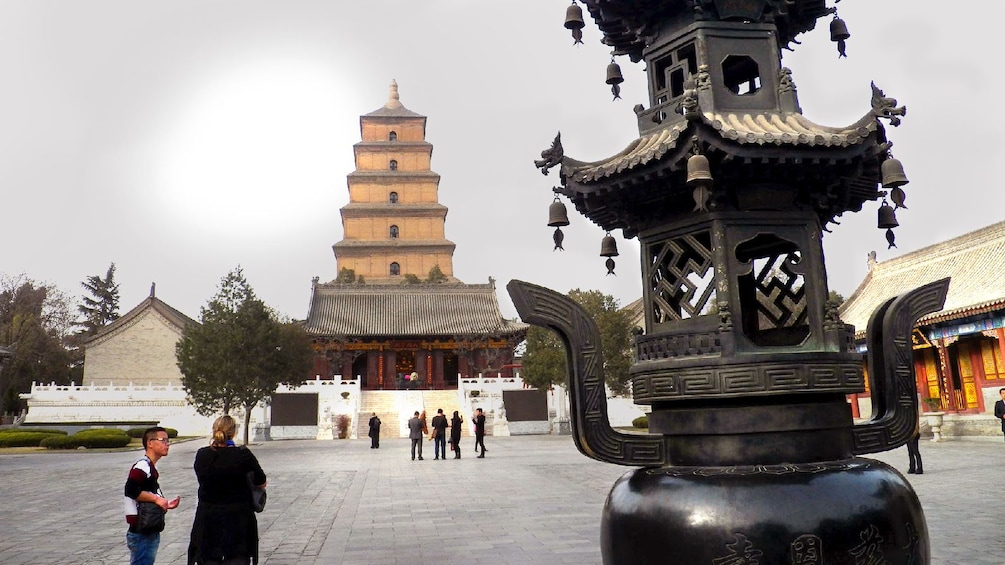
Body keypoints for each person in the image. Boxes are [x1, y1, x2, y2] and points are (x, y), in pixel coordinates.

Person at [188, 415, 267, 565]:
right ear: (234, 432)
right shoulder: (243, 454)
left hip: (207, 518)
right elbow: (261, 482)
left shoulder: (202, 455)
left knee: (208, 558)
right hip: (237, 518)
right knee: (237, 557)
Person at [124, 426, 181, 565]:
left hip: (147, 529)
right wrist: (156, 499)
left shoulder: (149, 467)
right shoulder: (142, 466)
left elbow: (145, 494)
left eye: (168, 441)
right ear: (150, 443)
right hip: (141, 532)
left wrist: (163, 503)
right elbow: (131, 490)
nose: (167, 444)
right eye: (163, 440)